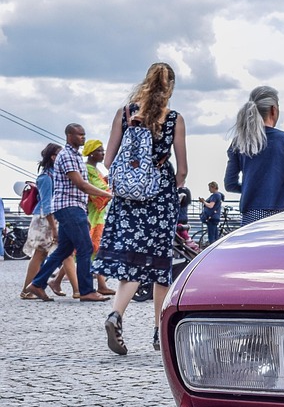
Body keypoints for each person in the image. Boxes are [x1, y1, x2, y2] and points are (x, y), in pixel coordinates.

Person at [96, 61, 188, 355]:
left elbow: (108, 161)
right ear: (170, 87)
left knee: (132, 260)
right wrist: (169, 183)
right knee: (160, 264)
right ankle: (160, 333)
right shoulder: (173, 119)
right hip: (160, 197)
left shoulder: (125, 114)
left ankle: (116, 314)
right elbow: (182, 170)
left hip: (127, 198)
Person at [22, 124, 113, 303]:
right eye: (79, 135)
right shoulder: (67, 156)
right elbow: (80, 185)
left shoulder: (76, 156)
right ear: (69, 135)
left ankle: (37, 284)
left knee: (64, 249)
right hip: (69, 207)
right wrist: (107, 194)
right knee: (85, 247)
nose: (82, 137)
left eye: (84, 134)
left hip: (73, 207)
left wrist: (84, 212)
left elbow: (80, 189)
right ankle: (86, 291)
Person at [224, 85, 284, 226]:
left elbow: (230, 184)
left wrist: (251, 187)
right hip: (283, 214)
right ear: (273, 110)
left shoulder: (239, 142)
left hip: (251, 216)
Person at [20, 145, 60, 297]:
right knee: (39, 254)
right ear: (53, 157)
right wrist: (53, 227)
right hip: (44, 218)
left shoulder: (53, 175)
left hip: (48, 217)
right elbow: (46, 203)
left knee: (42, 254)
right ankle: (27, 290)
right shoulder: (46, 177)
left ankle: (31, 288)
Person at [83, 139, 114, 295]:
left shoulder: (95, 170)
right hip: (93, 215)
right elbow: (99, 189)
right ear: (91, 153)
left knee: (95, 249)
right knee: (93, 248)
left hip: (97, 215)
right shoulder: (89, 169)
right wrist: (111, 189)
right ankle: (57, 280)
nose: (102, 153)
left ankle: (102, 284)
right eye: (99, 151)